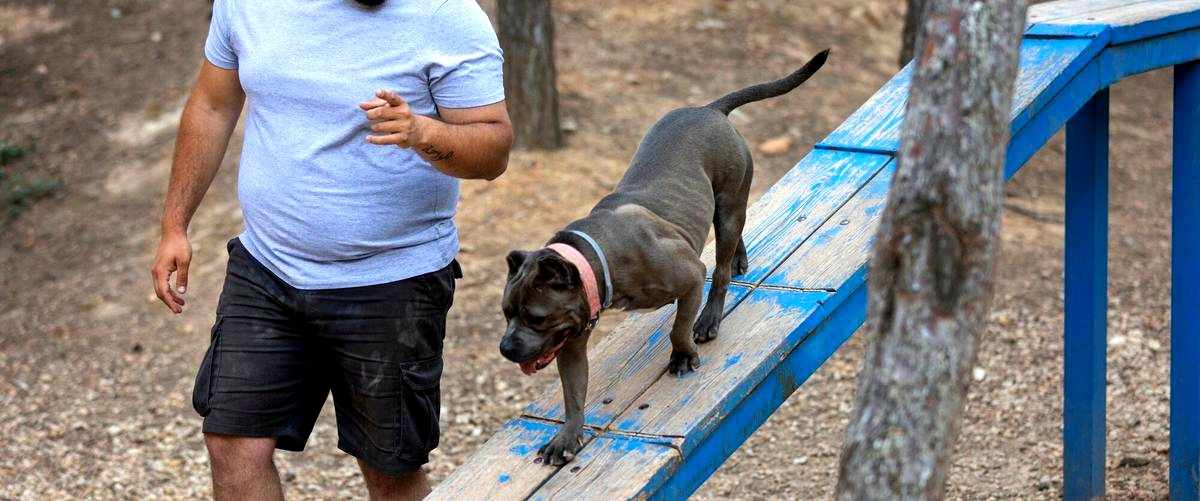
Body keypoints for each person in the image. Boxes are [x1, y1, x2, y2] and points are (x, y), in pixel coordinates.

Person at [149, 1, 512, 499]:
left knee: (389, 469)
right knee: (232, 444)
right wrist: (175, 225)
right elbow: (213, 105)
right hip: (267, 268)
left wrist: (422, 132)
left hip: (393, 281)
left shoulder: (447, 14)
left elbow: (493, 151)